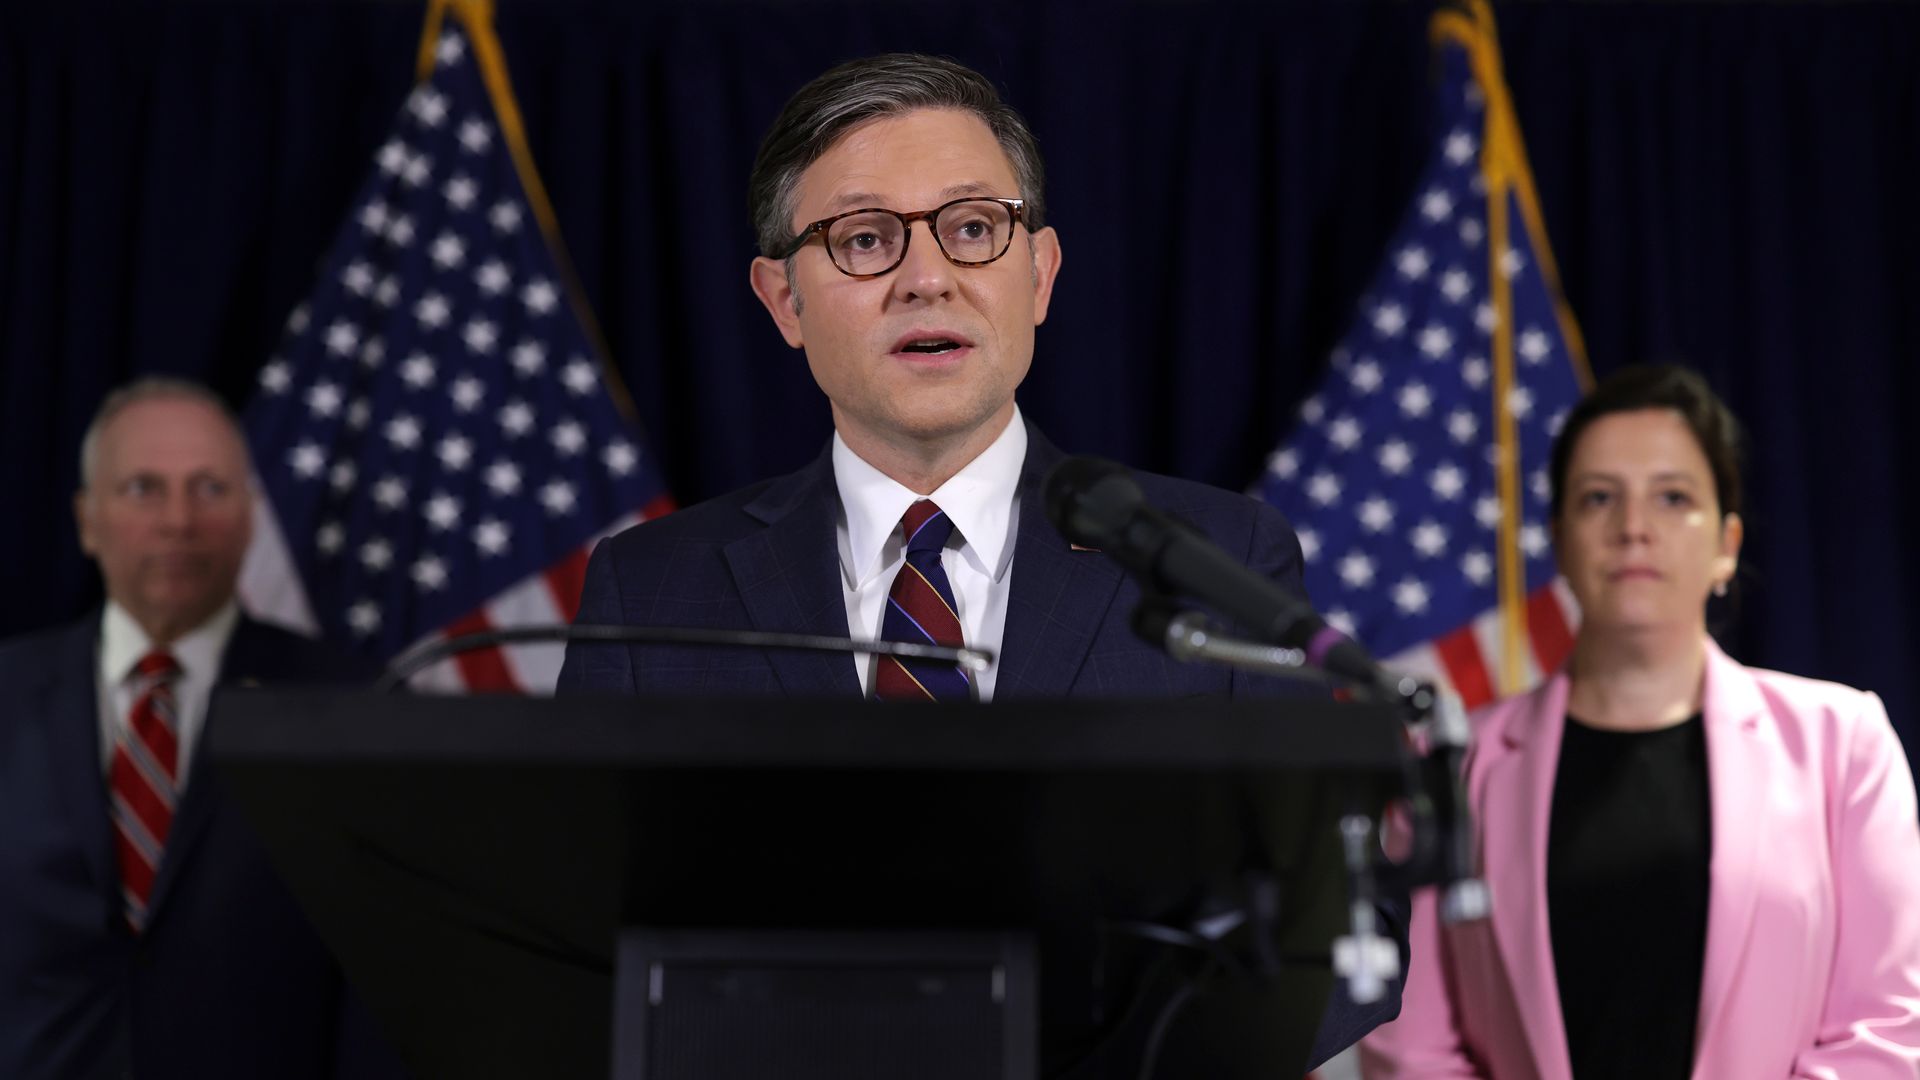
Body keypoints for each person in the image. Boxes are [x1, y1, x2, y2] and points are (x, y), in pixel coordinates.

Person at [557, 54, 1403, 1073]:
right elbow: (574, 952)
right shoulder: (651, 592)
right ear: (783, 299)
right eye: (864, 239)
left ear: (1038, 275)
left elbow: (1337, 933)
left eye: (970, 228)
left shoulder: (1213, 562)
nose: (926, 277)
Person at [1360, 365, 1920, 1079]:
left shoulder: (1845, 744)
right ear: (1558, 540)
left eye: (1673, 497)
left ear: (1727, 542)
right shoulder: (1449, 766)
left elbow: (1884, 1030)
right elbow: (1414, 1051)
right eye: (1599, 498)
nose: (1633, 528)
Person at [0, 378, 404, 1078]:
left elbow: (381, 973)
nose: (178, 520)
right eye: (143, 488)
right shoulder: (6, 691)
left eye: (210, 489)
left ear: (250, 516)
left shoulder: (347, 704)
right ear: (86, 519)